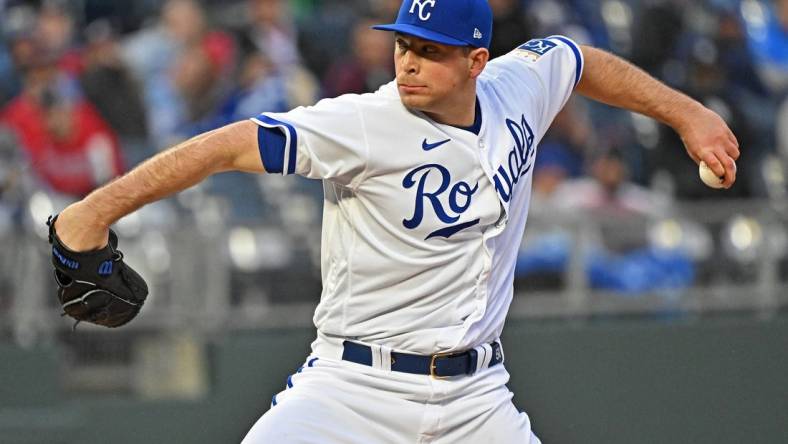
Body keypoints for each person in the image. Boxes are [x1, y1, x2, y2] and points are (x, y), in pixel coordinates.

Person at [52, 0, 739, 442]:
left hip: (477, 400)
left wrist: (689, 113)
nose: (408, 60)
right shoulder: (362, 124)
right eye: (404, 43)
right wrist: (92, 212)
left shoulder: (516, 89)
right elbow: (224, 146)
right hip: (352, 391)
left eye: (431, 50)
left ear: (477, 61)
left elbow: (579, 59)